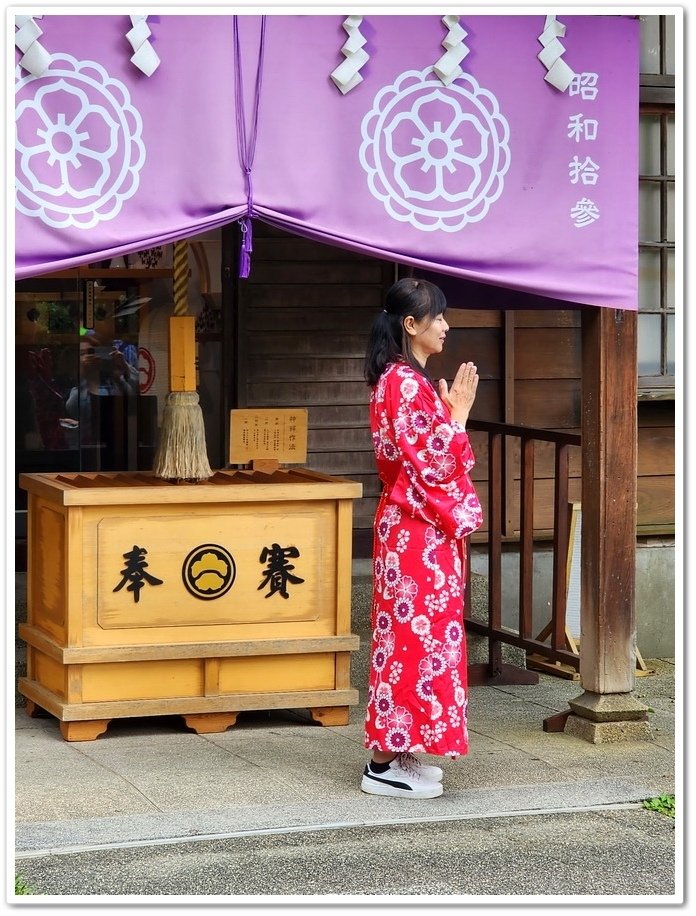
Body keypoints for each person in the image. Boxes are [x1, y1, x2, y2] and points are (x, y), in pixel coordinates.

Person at [361, 277, 483, 800]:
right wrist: (456, 416)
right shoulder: (404, 383)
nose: (446, 326)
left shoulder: (402, 379)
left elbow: (432, 458)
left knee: (416, 638)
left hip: (414, 529)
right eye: (438, 318)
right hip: (415, 532)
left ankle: (401, 749)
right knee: (413, 640)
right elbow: (434, 464)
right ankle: (383, 762)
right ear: (411, 325)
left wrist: (452, 419)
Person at [61, 332, 139, 448]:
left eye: (92, 352)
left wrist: (123, 367)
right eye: (83, 354)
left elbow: (135, 399)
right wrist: (88, 377)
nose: (89, 357)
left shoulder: (112, 381)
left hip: (119, 445)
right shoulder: (72, 387)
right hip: (85, 449)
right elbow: (75, 409)